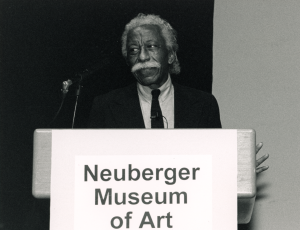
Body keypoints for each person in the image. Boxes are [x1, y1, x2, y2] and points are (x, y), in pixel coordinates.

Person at [89, 13, 268, 173]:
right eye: (134, 50)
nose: (142, 57)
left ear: (171, 55)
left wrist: (235, 173)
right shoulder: (105, 106)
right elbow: (93, 170)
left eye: (151, 46)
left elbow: (213, 165)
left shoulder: (203, 104)